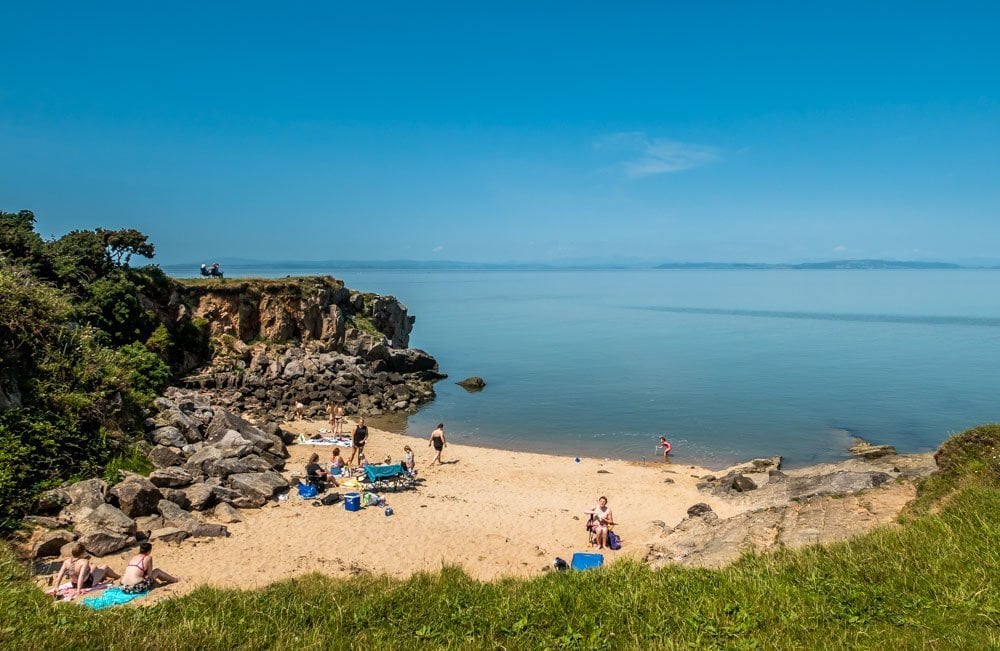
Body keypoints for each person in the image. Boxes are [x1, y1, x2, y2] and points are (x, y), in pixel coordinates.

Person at [49, 543, 120, 599]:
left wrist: (56, 586)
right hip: (87, 583)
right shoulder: (84, 562)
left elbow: (60, 574)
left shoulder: (67, 562)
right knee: (105, 567)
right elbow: (81, 576)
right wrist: (78, 590)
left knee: (94, 567)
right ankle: (117, 576)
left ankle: (101, 577)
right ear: (82, 553)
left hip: (74, 583)